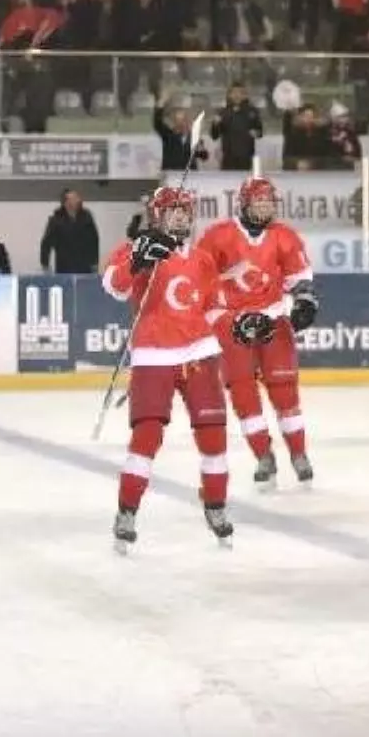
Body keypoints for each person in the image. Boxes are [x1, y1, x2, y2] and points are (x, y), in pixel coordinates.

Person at [101, 187, 250, 551]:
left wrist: (240, 324)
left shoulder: (202, 260)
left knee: (214, 437)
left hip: (200, 353)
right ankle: (127, 512)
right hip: (154, 355)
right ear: (157, 215)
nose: (181, 216)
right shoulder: (138, 249)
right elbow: (113, 285)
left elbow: (214, 310)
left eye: (185, 210)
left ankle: (215, 505)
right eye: (173, 210)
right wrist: (137, 259)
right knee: (146, 439)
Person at [196, 177, 320, 489]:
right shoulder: (218, 236)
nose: (264, 208)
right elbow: (199, 278)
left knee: (284, 390)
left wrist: (304, 299)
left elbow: (298, 276)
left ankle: (298, 453)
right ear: (245, 203)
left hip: (273, 320)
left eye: (269, 202)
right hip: (232, 324)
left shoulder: (284, 236)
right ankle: (264, 455)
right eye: (259, 202)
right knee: (243, 393)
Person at [40, 188, 100, 274]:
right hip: (64, 267)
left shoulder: (86, 217)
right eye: (74, 198)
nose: (78, 200)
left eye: (78, 197)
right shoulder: (56, 220)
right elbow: (46, 243)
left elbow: (94, 240)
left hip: (85, 267)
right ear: (66, 203)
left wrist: (94, 262)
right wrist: (45, 264)